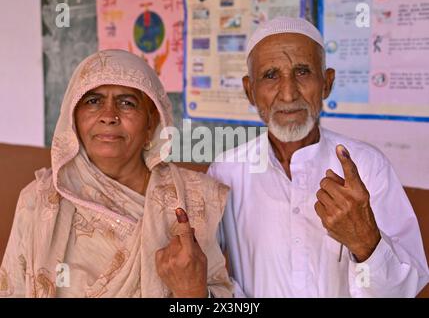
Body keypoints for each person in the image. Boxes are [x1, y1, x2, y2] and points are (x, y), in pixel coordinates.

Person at [208, 17, 429, 297]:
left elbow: (409, 286)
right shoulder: (226, 172)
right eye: (271, 75)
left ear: (327, 83)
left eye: (302, 72)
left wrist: (366, 243)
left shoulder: (368, 166)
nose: (288, 94)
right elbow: (203, 274)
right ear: (250, 91)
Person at [0, 49, 232, 298]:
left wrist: (191, 291)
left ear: (151, 122)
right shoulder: (39, 201)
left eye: (127, 102)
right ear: (73, 117)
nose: (109, 116)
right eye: (93, 101)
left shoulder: (196, 198)